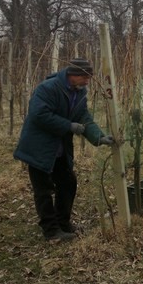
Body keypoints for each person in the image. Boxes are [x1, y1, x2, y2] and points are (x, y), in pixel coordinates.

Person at [14, 58, 115, 241]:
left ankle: (63, 222)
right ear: (72, 75)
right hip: (39, 147)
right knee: (43, 190)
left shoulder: (80, 92)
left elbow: (84, 116)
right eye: (85, 77)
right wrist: (68, 126)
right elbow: (39, 114)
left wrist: (98, 137)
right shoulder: (48, 88)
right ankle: (51, 231)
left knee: (68, 182)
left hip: (60, 149)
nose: (88, 81)